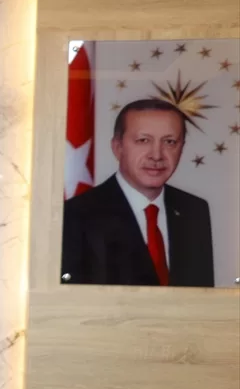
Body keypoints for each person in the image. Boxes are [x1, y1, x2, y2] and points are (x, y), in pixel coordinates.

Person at [62, 98, 214, 287]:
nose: (156, 155)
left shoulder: (194, 210)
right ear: (117, 147)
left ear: (181, 148)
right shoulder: (77, 214)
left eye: (169, 142)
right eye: (143, 140)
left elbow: (201, 296)